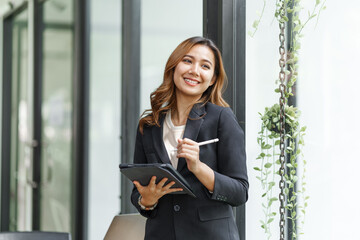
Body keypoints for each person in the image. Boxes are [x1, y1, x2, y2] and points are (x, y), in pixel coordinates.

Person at [131, 36, 248, 240]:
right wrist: (146, 201)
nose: (194, 70)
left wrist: (198, 167)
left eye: (205, 66)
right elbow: (137, 190)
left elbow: (239, 192)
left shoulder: (222, 118)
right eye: (187, 61)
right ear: (174, 67)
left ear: (212, 79)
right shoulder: (149, 125)